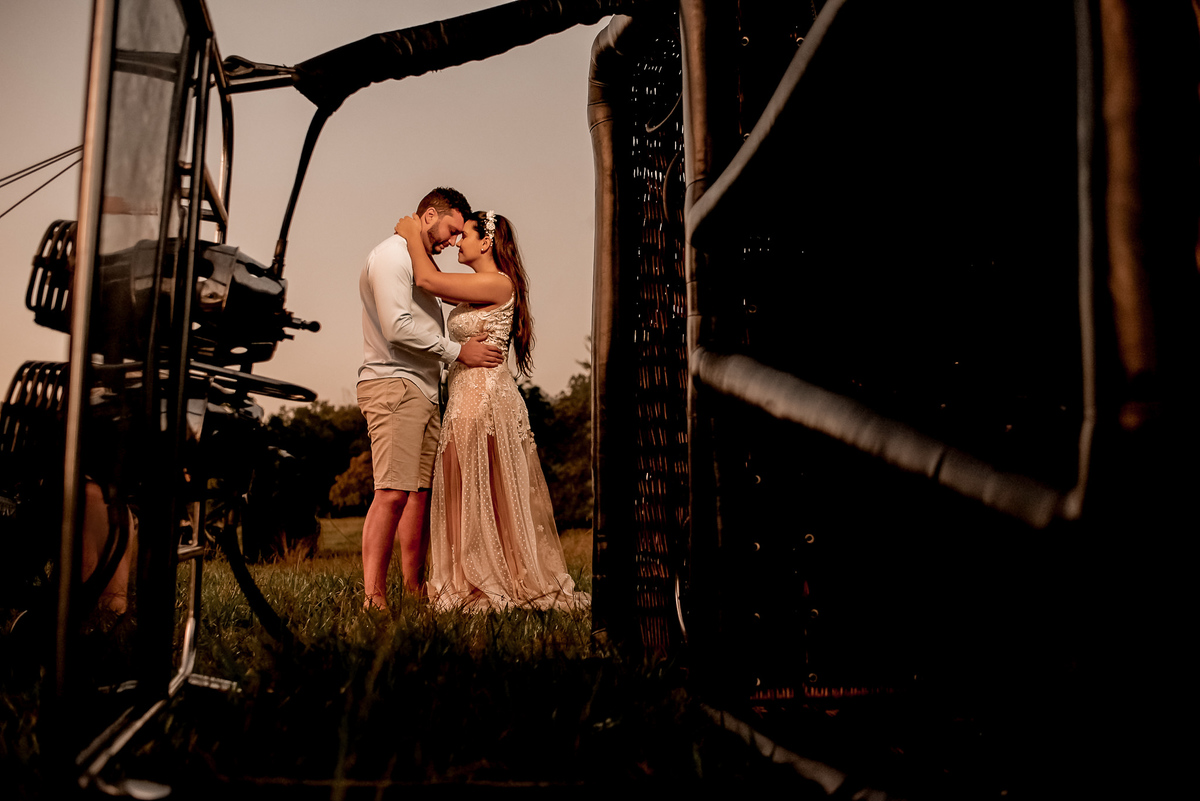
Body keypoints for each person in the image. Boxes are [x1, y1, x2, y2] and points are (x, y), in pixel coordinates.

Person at [394, 210, 589, 611]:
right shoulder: (474, 288)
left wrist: (411, 232)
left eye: (463, 235)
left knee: (482, 488)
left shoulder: (498, 283)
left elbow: (429, 280)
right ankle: (465, 575)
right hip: (466, 394)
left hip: (483, 398)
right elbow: (438, 288)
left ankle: (492, 576)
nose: (456, 243)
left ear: (485, 241)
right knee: (465, 488)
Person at [357, 187, 505, 612]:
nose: (451, 241)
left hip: (422, 388)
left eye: (460, 234)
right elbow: (397, 326)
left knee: (418, 493)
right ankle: (374, 599)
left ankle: (414, 588)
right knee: (391, 492)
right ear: (429, 216)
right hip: (393, 384)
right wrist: (458, 351)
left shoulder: (417, 261)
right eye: (451, 229)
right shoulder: (392, 256)